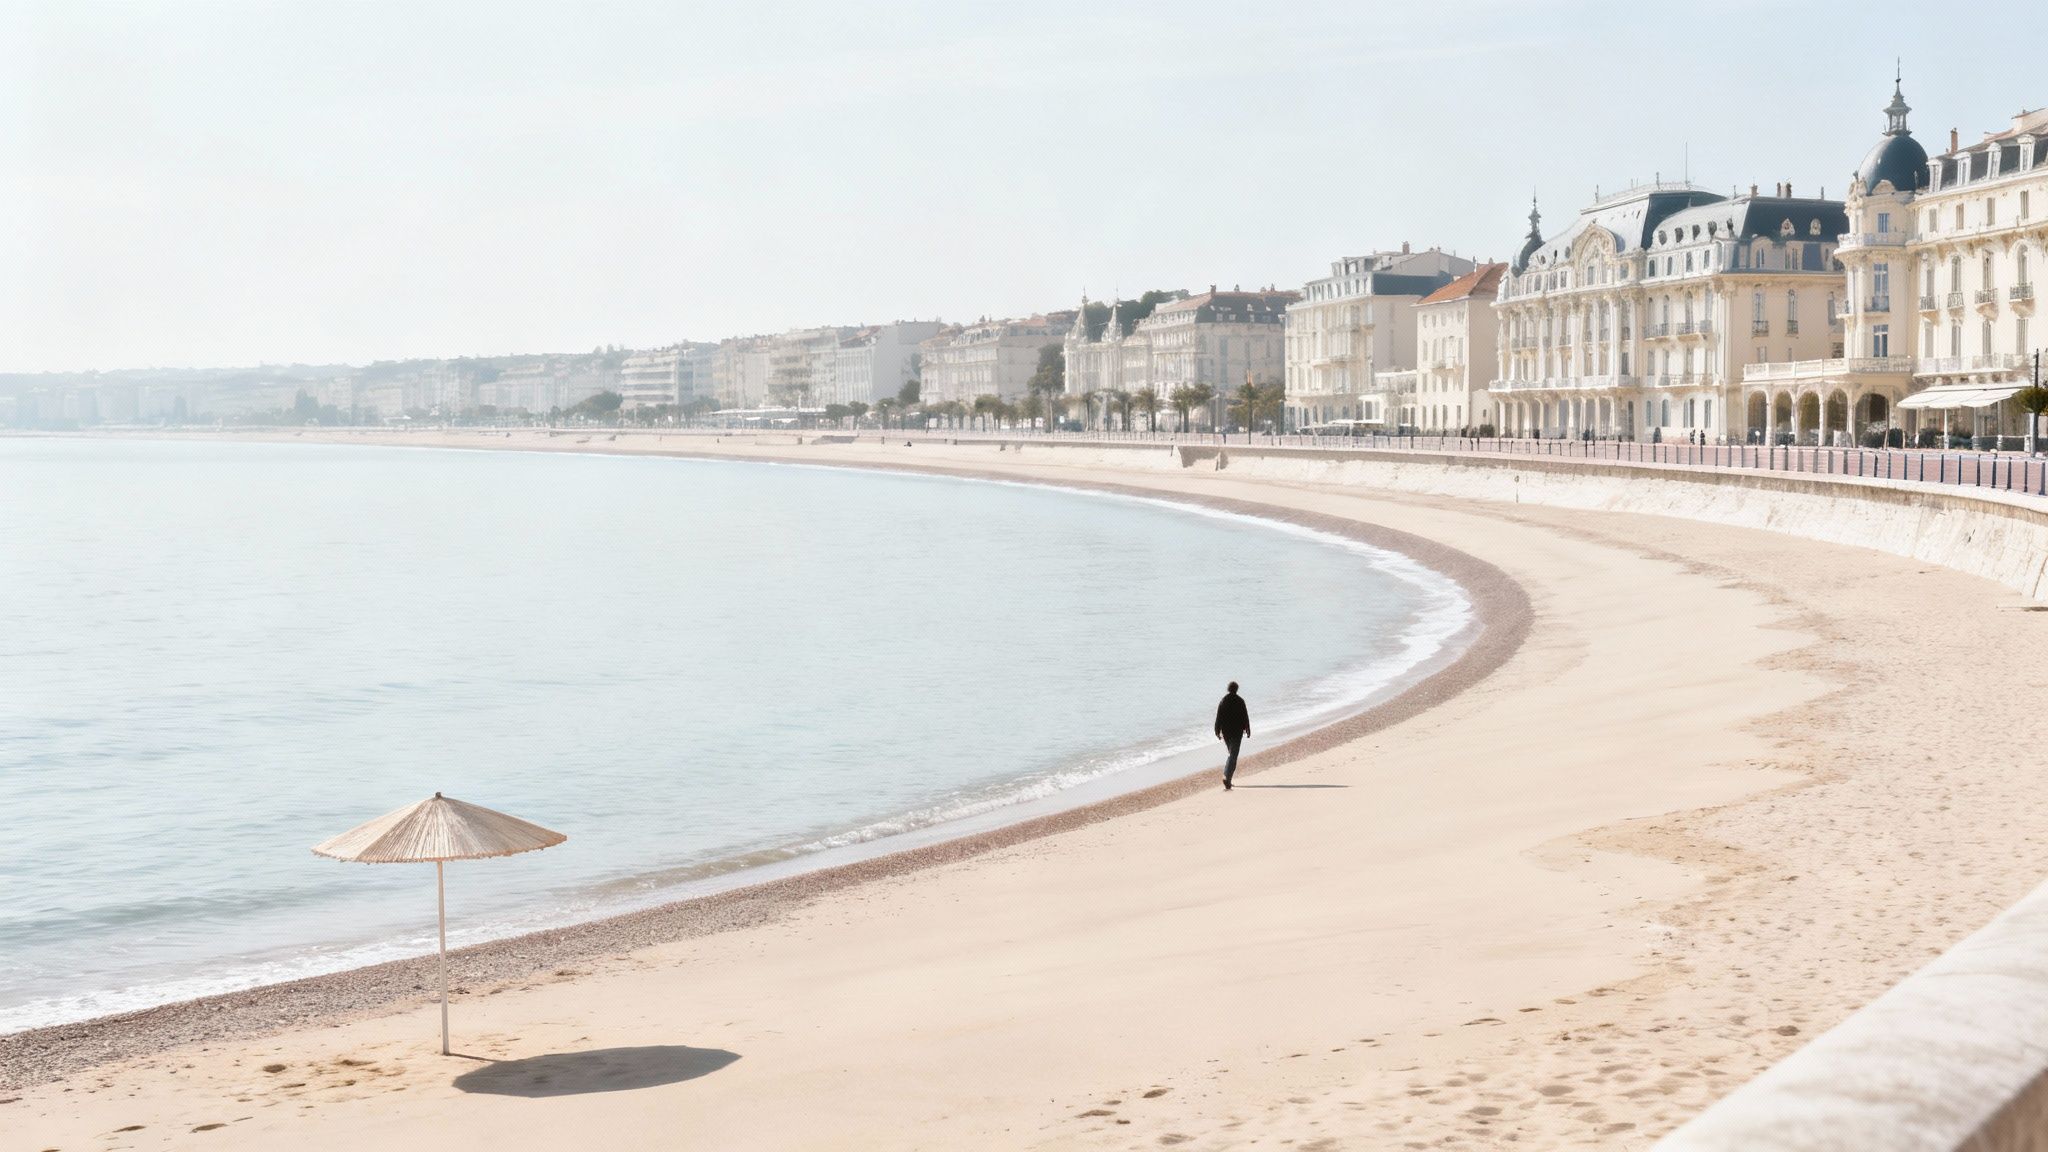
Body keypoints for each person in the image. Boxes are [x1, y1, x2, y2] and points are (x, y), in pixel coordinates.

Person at [1214, 681, 1251, 790]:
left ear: (1228, 689)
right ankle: (1227, 777)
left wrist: (1217, 730)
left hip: (1226, 732)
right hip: (1237, 732)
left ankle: (1228, 780)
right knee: (1233, 755)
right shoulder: (1240, 701)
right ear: (1236, 689)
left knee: (1232, 754)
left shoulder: (1223, 701)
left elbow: (1218, 717)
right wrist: (1248, 729)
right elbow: (1245, 716)